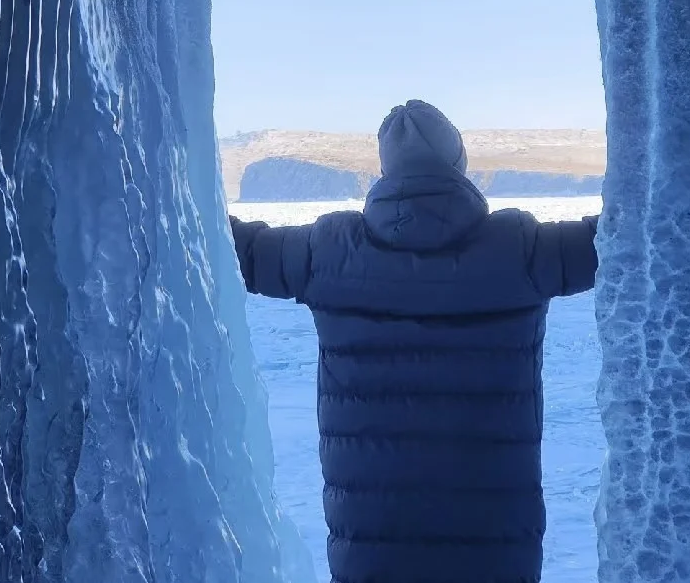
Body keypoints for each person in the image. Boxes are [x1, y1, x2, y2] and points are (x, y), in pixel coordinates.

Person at [229, 99, 600, 583]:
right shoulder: (521, 250)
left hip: (371, 541)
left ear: (386, 169)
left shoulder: (328, 252)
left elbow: (239, 250)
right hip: (493, 539)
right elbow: (624, 237)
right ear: (459, 164)